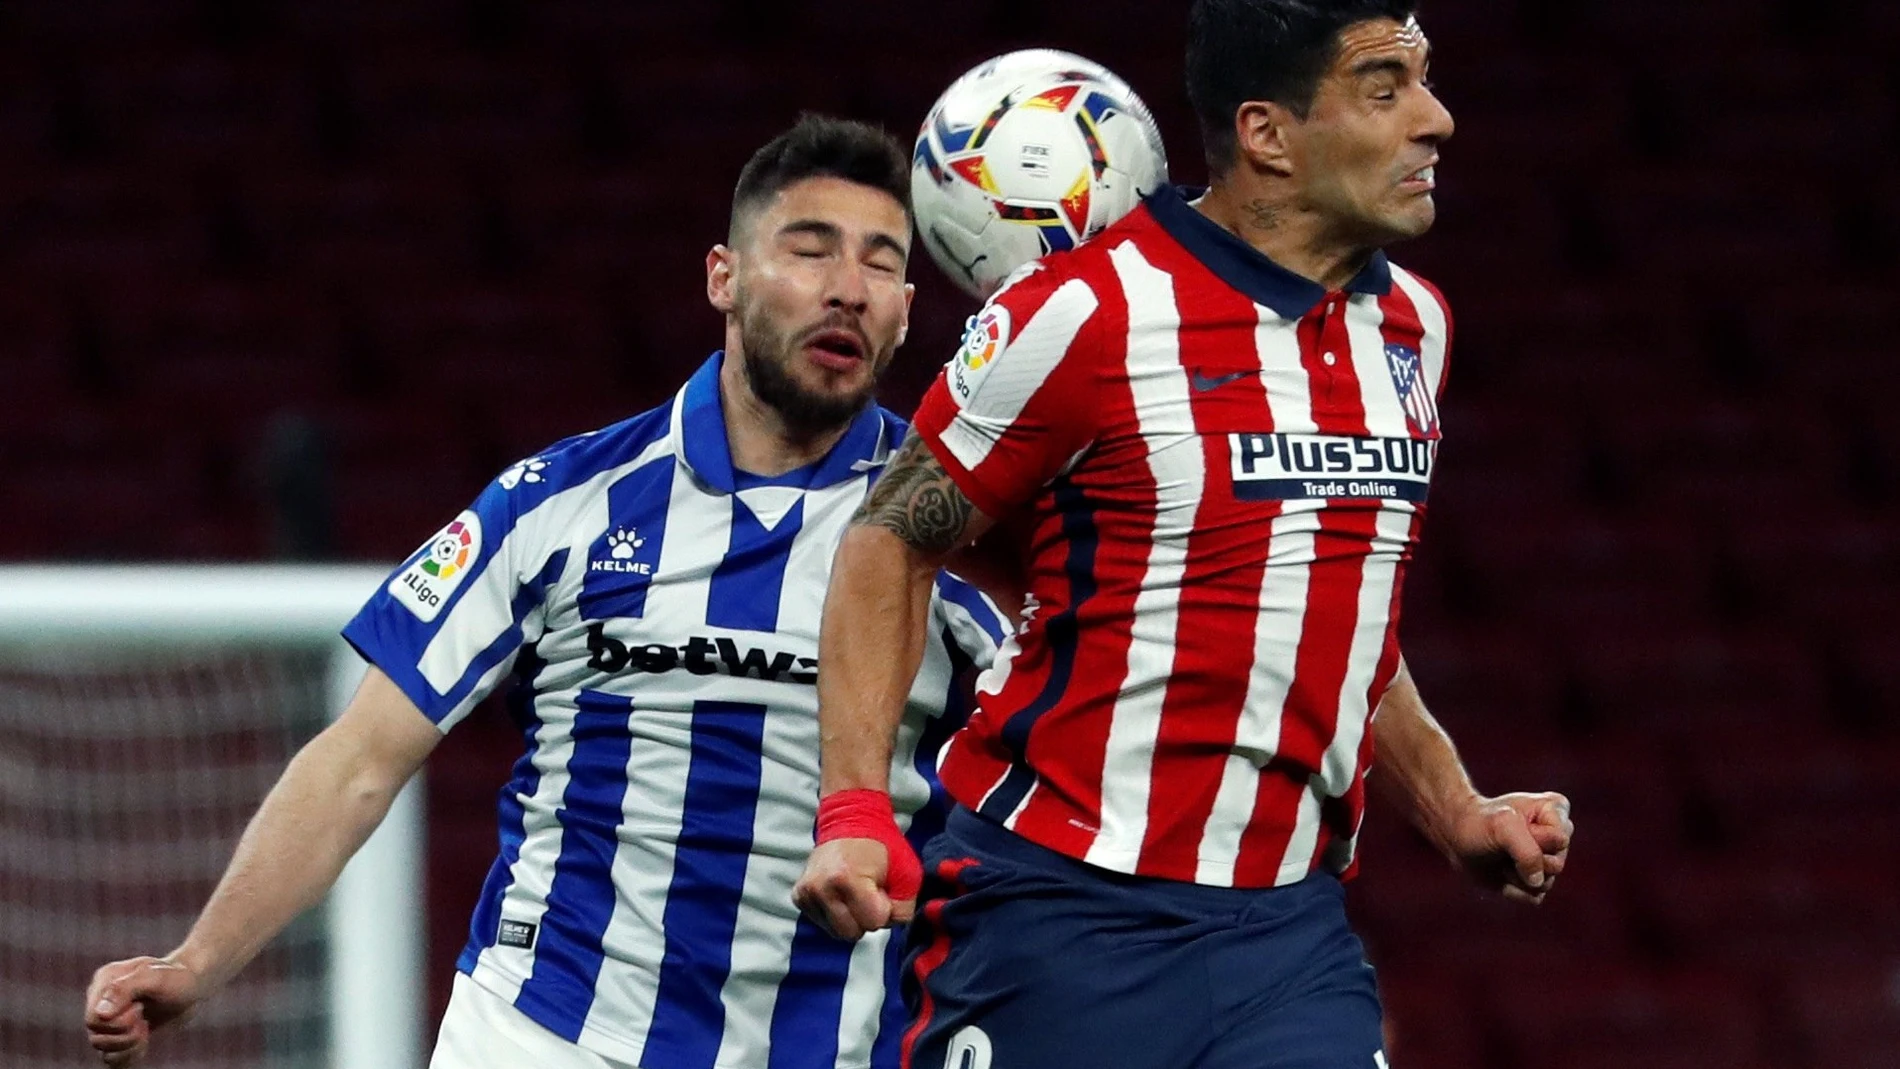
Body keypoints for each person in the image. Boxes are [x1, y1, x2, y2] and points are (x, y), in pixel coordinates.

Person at [84, 114, 1010, 1069]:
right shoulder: (560, 504)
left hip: (832, 1043)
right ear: (722, 278)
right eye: (809, 251)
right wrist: (197, 961)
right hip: (547, 1031)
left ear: (905, 309)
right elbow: (360, 756)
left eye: (878, 265)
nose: (845, 291)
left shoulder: (957, 536)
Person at [794, 4, 1575, 1067]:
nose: (1434, 120)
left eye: (1424, 82)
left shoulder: (1413, 329)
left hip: (1288, 935)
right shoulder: (1090, 312)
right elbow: (889, 537)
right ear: (1266, 134)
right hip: (1056, 918)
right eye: (1385, 88)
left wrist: (1455, 811)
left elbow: (1326, 612)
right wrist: (852, 807)